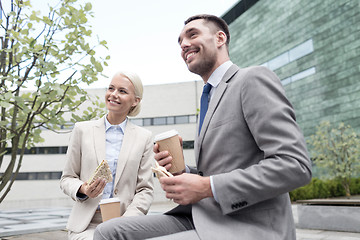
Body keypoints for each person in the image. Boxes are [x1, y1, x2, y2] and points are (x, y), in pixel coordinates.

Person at [94, 14, 312, 240]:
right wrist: (183, 173)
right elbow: (216, 172)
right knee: (107, 231)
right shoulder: (208, 97)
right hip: (202, 215)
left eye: (192, 34)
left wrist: (207, 187)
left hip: (247, 225)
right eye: (179, 41)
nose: (183, 45)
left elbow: (295, 165)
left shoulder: (251, 79)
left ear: (220, 38)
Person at [60, 71, 154, 240]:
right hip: (86, 225)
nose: (113, 95)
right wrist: (83, 189)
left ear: (135, 101)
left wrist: (127, 222)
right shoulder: (82, 130)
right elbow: (67, 178)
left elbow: (145, 189)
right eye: (111, 88)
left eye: (122, 91)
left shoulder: (145, 138)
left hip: (125, 223)